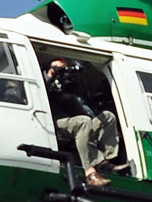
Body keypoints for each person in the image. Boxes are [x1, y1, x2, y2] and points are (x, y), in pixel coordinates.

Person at [44, 59, 121, 187]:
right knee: (83, 122)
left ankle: (106, 162)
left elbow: (83, 113)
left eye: (64, 68)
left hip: (73, 122)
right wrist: (50, 76)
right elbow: (39, 92)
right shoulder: (44, 81)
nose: (62, 71)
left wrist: (69, 97)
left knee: (107, 117)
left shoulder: (66, 85)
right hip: (53, 122)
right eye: (58, 67)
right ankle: (90, 173)